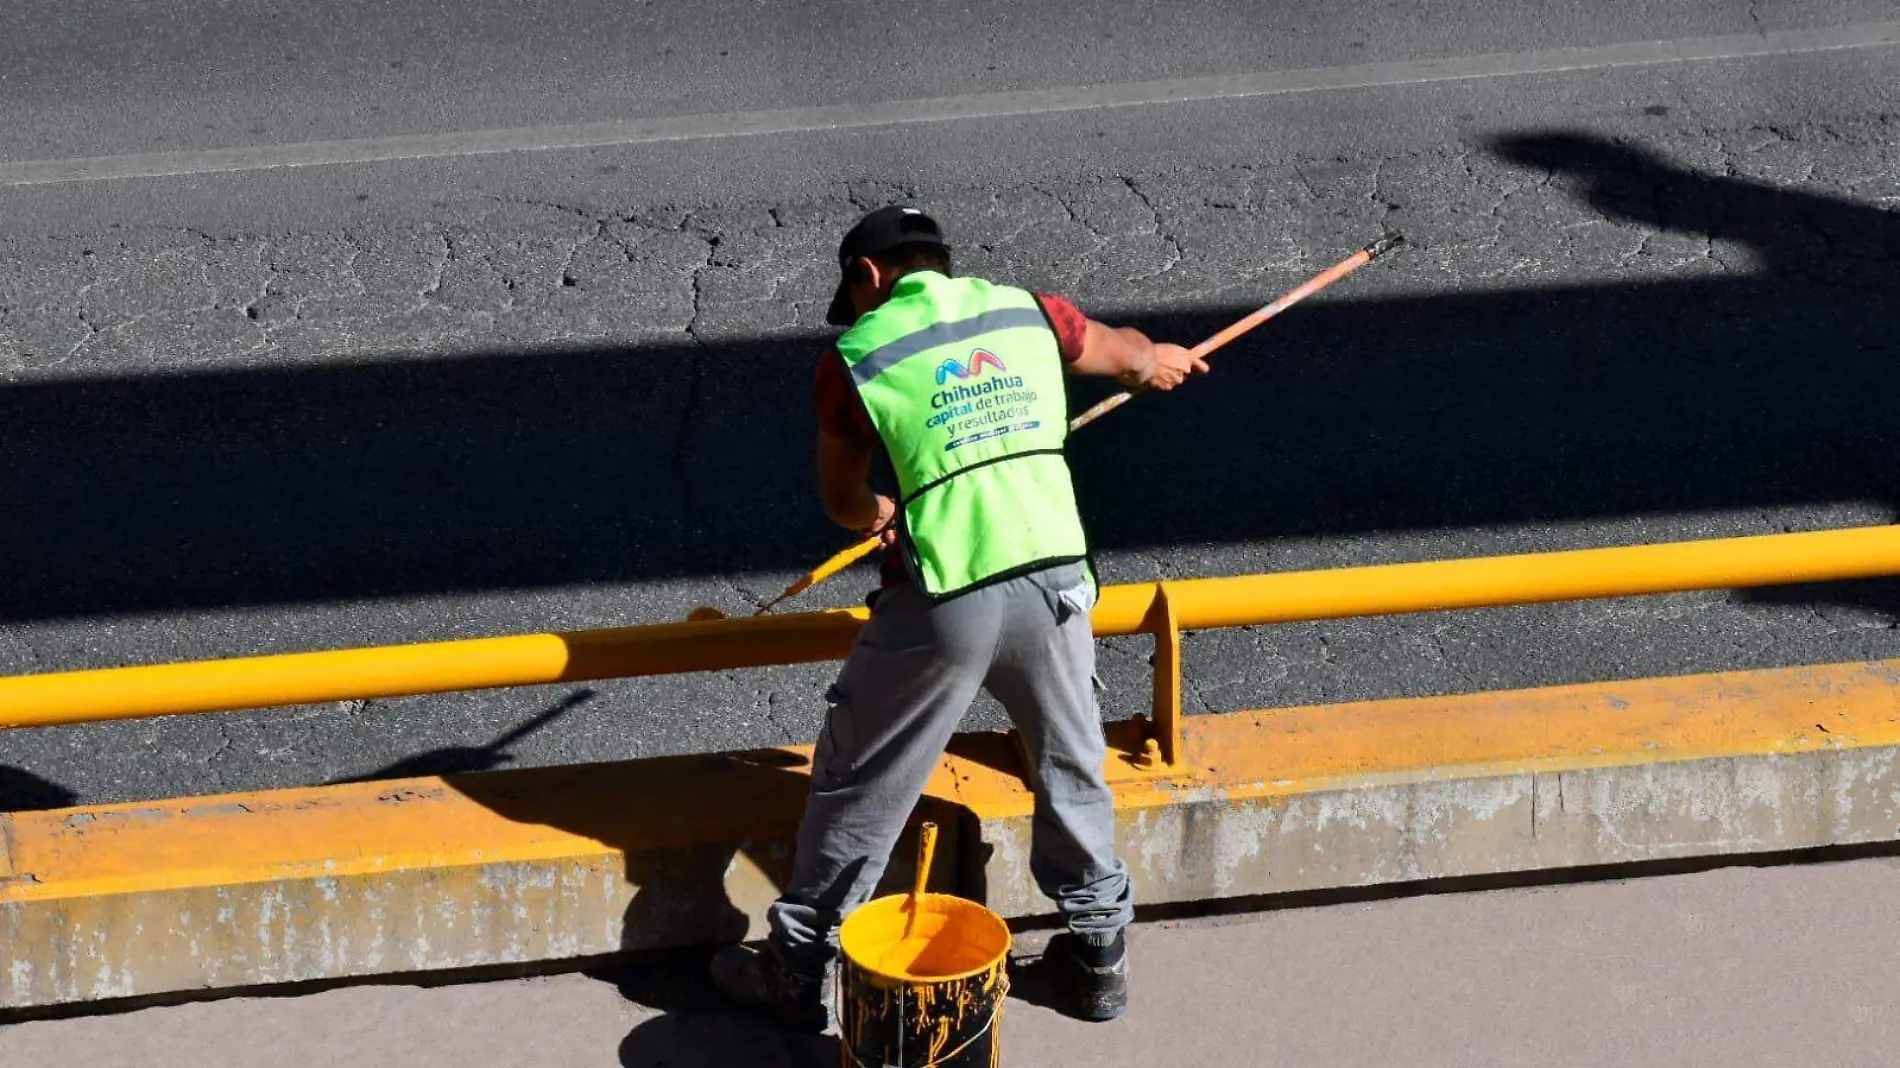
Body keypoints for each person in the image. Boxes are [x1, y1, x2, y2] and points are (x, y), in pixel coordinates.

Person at [712, 205, 1208, 1031]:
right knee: (1071, 760)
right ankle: (1098, 958)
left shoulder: (858, 355)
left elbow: (843, 499)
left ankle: (800, 970)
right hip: (1054, 578)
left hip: (947, 595)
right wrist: (1158, 361)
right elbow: (1122, 353)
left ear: (869, 276)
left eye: (857, 292)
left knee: (863, 778)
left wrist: (880, 509)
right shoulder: (1030, 310)